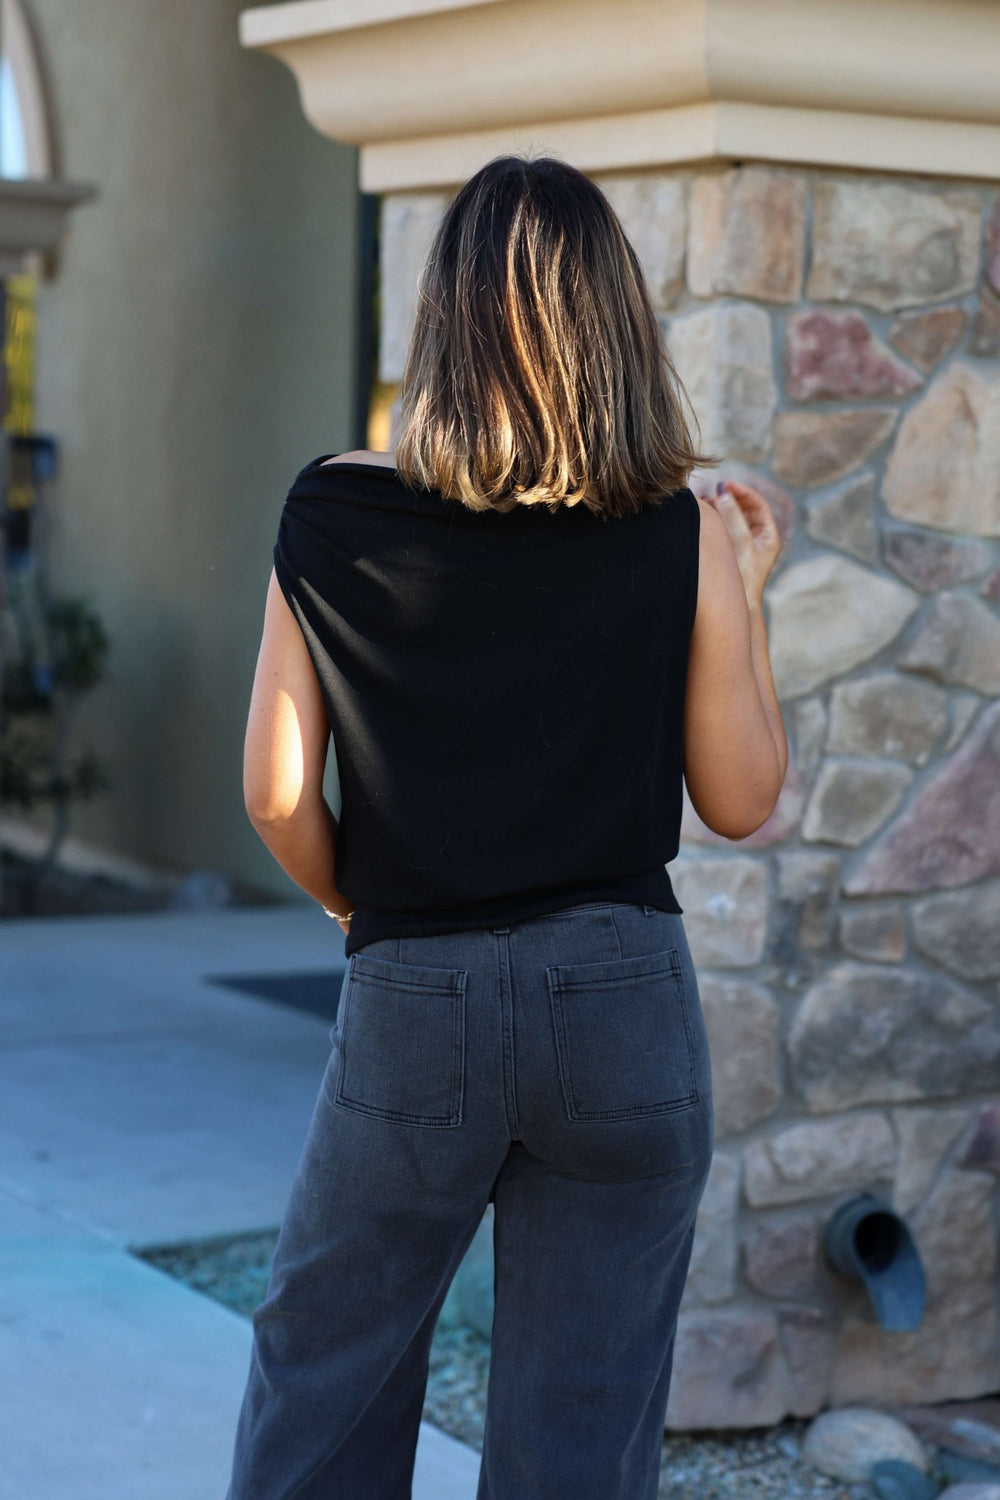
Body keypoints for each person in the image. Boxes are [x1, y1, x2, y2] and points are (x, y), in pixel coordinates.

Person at [227, 152, 787, 1500]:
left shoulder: (333, 511)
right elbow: (743, 799)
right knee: (580, 1433)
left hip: (418, 988)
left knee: (328, 1370)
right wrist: (746, 595)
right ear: (613, 320)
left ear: (447, 318)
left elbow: (275, 792)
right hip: (623, 998)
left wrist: (362, 911)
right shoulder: (680, 529)